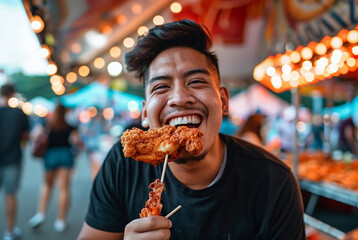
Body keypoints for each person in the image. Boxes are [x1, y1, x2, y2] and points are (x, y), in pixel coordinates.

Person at [77, 19, 306, 240]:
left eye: (196, 81)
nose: (179, 98)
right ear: (145, 114)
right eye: (161, 86)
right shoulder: (122, 163)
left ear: (224, 101)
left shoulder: (274, 181)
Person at [28, 103, 79, 232]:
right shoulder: (70, 126)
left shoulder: (47, 124)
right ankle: (60, 221)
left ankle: (40, 214)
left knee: (47, 185)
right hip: (66, 155)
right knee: (64, 188)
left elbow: (35, 135)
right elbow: (76, 141)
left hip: (50, 156)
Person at [0, 84, 30, 240]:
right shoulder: (18, 113)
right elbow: (26, 136)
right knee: (10, 194)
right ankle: (9, 231)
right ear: (12, 93)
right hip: (13, 157)